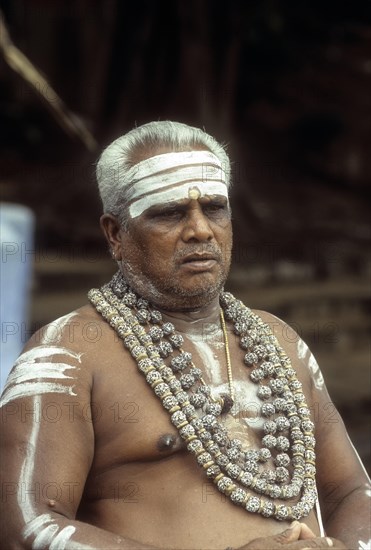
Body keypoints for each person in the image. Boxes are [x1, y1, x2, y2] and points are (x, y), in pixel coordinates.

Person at [0, 121, 369, 550]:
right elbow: (24, 528)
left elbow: (353, 492)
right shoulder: (68, 352)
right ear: (115, 234)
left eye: (214, 207)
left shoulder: (281, 341)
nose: (199, 230)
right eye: (169, 213)